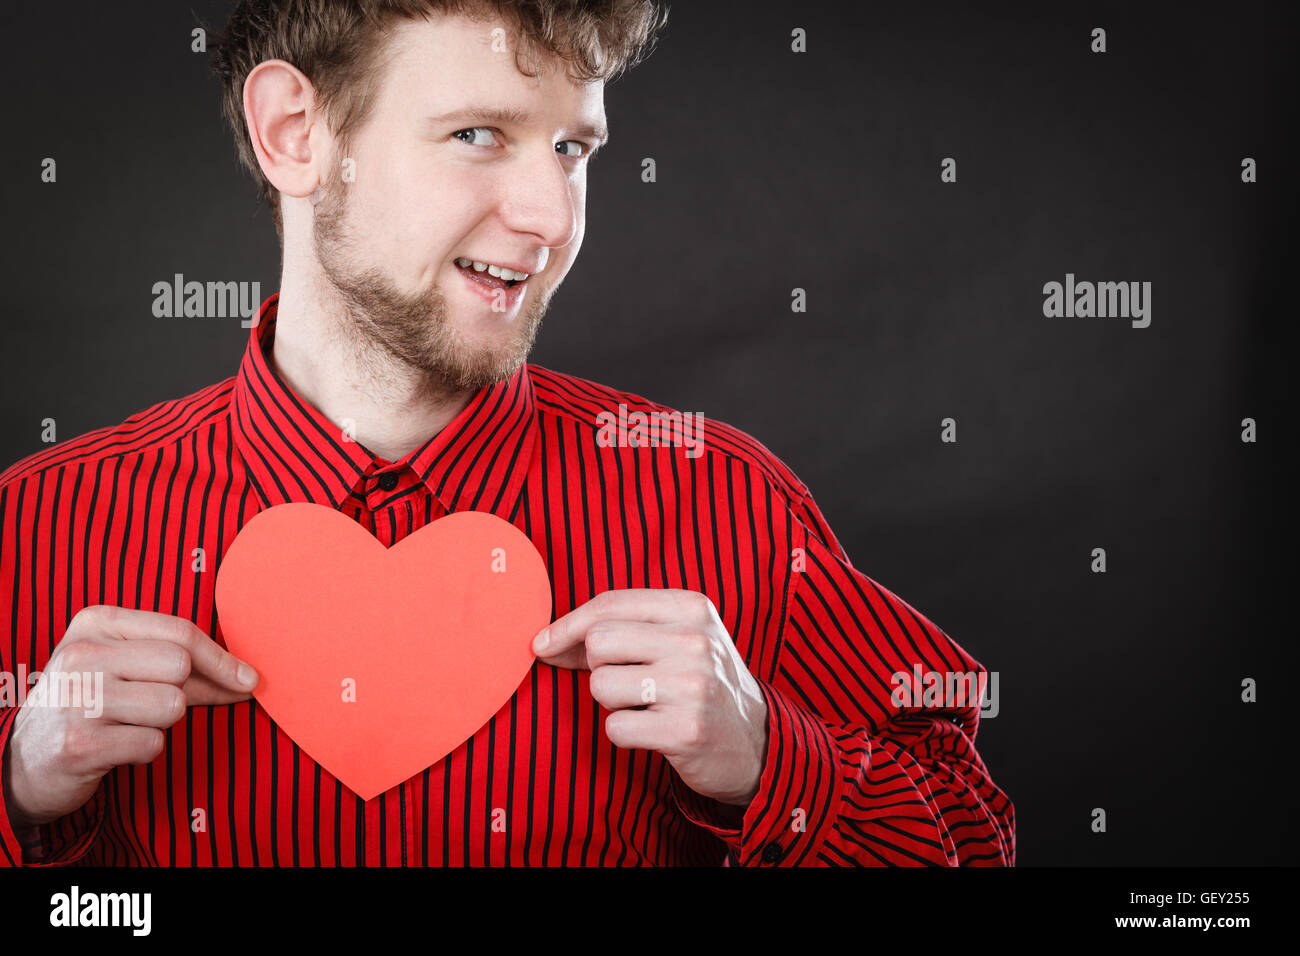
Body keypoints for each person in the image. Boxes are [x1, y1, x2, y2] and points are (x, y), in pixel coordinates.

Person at [0, 0, 1014, 866]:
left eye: (572, 148)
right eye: (477, 134)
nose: (547, 216)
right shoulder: (37, 525)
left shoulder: (729, 503)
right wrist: (19, 782)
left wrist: (769, 759)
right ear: (296, 133)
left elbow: (973, 835)